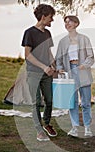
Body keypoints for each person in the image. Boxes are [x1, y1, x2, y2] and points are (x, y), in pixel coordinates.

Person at [21, 4, 57, 141]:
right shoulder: (29, 32)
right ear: (43, 17)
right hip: (34, 73)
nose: (52, 20)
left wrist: (55, 65)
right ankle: (39, 130)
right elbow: (28, 55)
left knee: (49, 100)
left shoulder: (47, 33)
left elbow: (48, 52)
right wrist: (43, 67)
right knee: (35, 102)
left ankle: (47, 123)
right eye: (50, 17)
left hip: (47, 74)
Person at [55, 15, 95, 137]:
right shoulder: (63, 41)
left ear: (76, 24)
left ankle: (87, 127)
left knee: (86, 102)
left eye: (70, 22)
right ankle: (75, 128)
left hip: (83, 71)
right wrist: (60, 69)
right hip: (69, 72)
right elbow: (58, 59)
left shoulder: (84, 39)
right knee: (72, 102)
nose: (67, 24)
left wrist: (84, 65)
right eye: (65, 22)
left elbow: (91, 57)